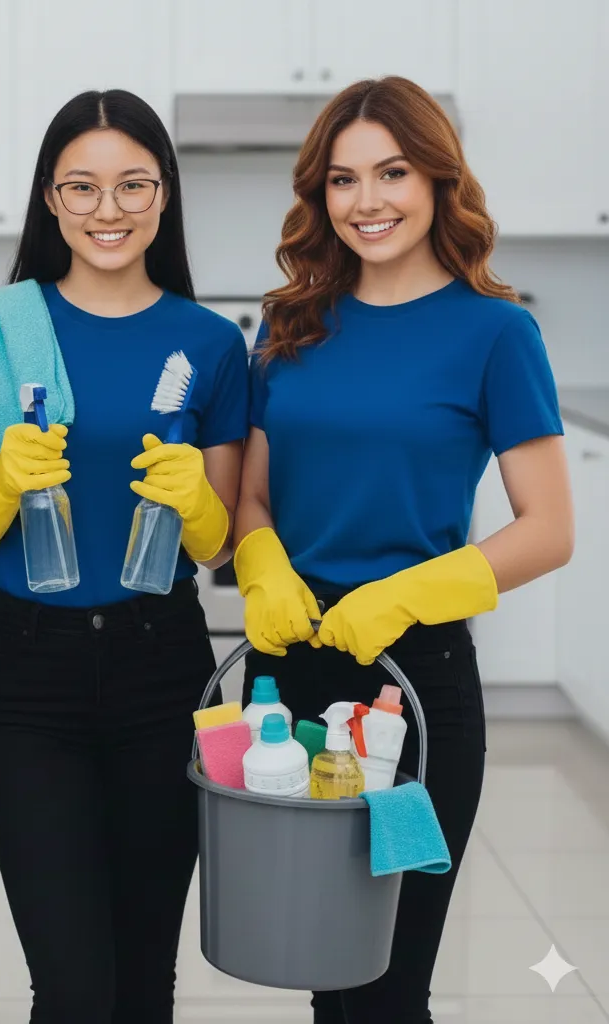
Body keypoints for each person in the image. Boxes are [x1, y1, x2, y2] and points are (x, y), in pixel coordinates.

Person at [234, 76, 573, 1023]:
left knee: (388, 984)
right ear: (319, 195)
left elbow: (550, 527)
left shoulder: (495, 332)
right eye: (342, 180)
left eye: (392, 172)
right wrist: (259, 563)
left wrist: (410, 594)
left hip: (409, 690)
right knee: (324, 967)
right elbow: (251, 496)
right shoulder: (290, 323)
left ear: (437, 179)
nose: (367, 201)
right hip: (287, 681)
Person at [0, 90, 249, 1023]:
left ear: (163, 195)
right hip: (32, 676)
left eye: (132, 185)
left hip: (167, 668)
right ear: (50, 199)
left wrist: (196, 501)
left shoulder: (210, 342)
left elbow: (223, 538)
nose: (108, 210)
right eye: (83, 187)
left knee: (145, 979)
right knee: (71, 988)